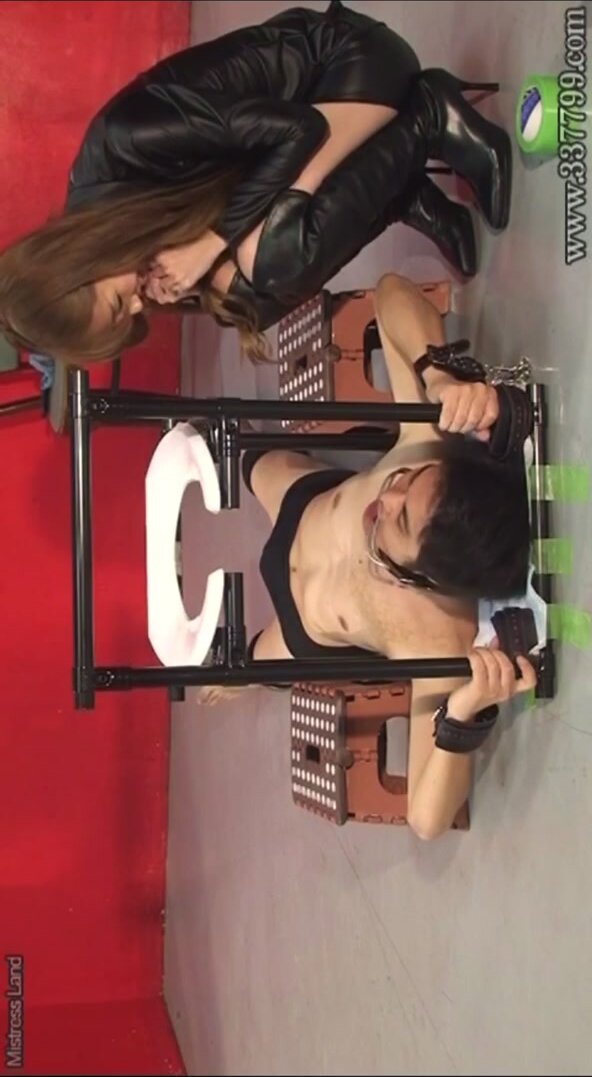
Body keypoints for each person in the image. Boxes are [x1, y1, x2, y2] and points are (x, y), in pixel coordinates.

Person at [201, 273, 538, 841]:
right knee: (243, 450)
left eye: (400, 522)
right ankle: (247, 453)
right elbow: (390, 292)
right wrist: (436, 372)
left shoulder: (433, 637)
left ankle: (248, 674)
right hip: (305, 502)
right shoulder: (426, 446)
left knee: (244, 665)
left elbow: (426, 819)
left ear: (429, 576)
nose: (388, 497)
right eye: (409, 482)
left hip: (304, 627)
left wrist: (465, 711)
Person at [0, 0, 511, 366]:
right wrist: (205, 270)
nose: (137, 308)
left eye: (118, 304)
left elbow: (297, 130)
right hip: (297, 136)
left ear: (83, 259)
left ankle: (427, 118)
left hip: (349, 65)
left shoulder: (124, 141)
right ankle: (400, 192)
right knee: (243, 300)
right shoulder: (120, 234)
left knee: (275, 257)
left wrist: (211, 243)